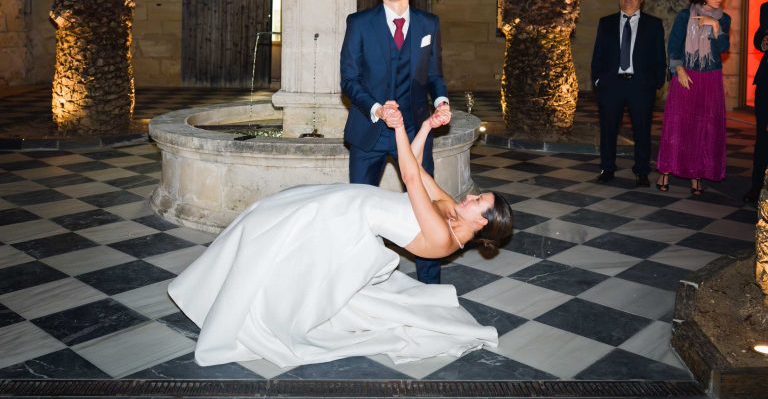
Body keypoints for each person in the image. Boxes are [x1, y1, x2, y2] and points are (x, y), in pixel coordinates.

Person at [167, 108, 513, 368]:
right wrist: (424, 127)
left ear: (482, 224)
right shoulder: (451, 212)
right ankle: (228, 289)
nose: (469, 197)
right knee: (268, 213)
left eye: (477, 202)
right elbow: (420, 171)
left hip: (345, 221)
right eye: (476, 196)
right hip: (348, 202)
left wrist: (397, 129)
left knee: (272, 231)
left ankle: (245, 307)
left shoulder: (441, 238)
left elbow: (408, 174)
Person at [341, 0, 450, 284]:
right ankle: (358, 282)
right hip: (369, 133)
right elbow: (349, 80)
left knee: (424, 209)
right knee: (360, 211)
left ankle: (430, 284)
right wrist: (377, 108)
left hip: (415, 133)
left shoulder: (428, 24)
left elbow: (434, 74)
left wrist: (442, 100)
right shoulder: (359, 23)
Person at [656, 0, 731, 194]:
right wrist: (678, 69)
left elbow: (723, 49)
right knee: (677, 123)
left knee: (705, 126)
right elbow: (675, 45)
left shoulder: (723, 19)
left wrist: (715, 25)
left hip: (710, 77)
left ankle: (697, 174)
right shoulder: (684, 15)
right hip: (685, 75)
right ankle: (666, 171)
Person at [591, 0, 667, 187]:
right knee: (608, 129)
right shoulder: (606, 23)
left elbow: (660, 57)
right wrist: (599, 80)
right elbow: (598, 55)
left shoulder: (653, 24)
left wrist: (655, 82)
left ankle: (642, 171)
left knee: (642, 130)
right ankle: (607, 168)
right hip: (611, 84)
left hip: (640, 85)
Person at [743, 1, 768, 203]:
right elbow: (759, 36)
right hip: (767, 82)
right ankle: (757, 186)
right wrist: (762, 42)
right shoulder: (766, 8)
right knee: (763, 136)